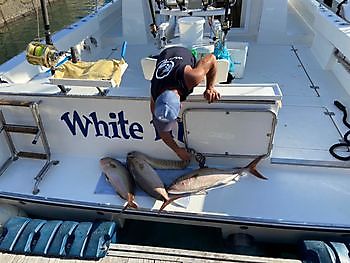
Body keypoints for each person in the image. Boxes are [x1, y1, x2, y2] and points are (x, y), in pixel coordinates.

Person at [150, 46, 219, 161]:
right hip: (164, 54)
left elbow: (211, 58)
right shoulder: (154, 96)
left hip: (183, 52)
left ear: (181, 105)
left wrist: (210, 87)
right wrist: (177, 150)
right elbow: (162, 131)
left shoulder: (191, 77)